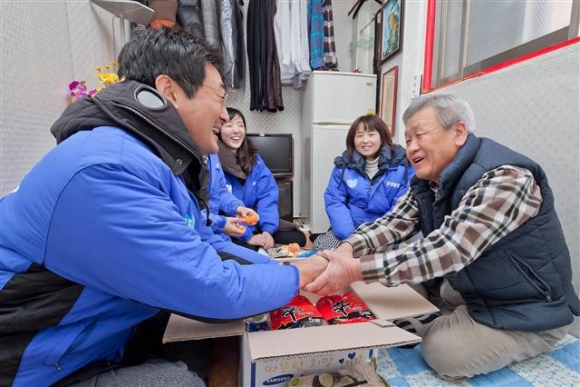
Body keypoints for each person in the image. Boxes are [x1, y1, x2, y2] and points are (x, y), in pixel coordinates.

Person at [0, 27, 327, 387]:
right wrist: (299, 276)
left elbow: (206, 244)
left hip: (99, 331)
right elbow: (212, 289)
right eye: (219, 98)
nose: (223, 117)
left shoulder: (157, 163)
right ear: (169, 91)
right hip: (35, 363)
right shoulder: (107, 169)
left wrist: (281, 265)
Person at [304, 94, 580, 380]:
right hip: (478, 285)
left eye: (419, 135)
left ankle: (530, 333)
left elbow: (449, 249)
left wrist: (354, 269)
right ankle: (445, 310)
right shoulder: (427, 181)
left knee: (441, 351)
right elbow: (392, 223)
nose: (410, 148)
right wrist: (348, 247)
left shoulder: (506, 178)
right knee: (402, 283)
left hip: (527, 306)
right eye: (407, 139)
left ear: (458, 132)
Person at [314, 114, 414, 251]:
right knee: (324, 249)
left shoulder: (403, 167)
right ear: (353, 140)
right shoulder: (343, 166)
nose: (365, 140)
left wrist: (373, 239)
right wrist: (351, 237)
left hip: (385, 235)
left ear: (382, 137)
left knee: (394, 261)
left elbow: (401, 207)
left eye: (371, 134)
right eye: (359, 135)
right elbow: (334, 201)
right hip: (350, 232)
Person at [217, 107, 307, 250]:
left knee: (298, 238)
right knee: (248, 248)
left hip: (254, 222)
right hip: (229, 226)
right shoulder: (213, 159)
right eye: (229, 125)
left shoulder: (255, 160)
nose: (236, 130)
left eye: (240, 125)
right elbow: (218, 203)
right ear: (218, 130)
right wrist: (248, 236)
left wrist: (267, 231)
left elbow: (267, 196)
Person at [203, 152, 260, 241]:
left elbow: (220, 191)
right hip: (200, 235)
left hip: (216, 233)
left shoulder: (212, 155)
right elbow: (189, 214)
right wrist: (220, 223)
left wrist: (237, 207)